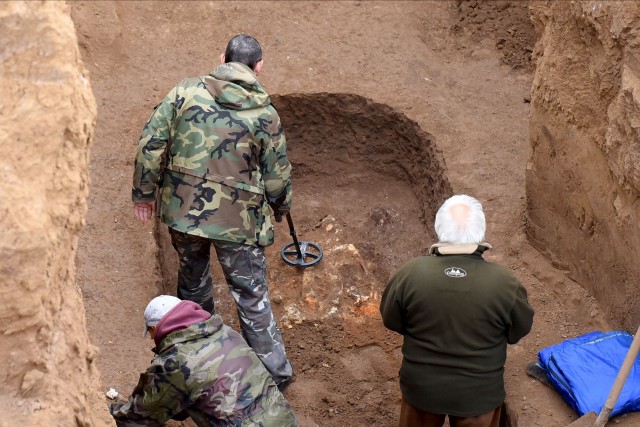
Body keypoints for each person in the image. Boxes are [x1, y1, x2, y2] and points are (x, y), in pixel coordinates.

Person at [131, 34, 293, 387]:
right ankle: (274, 376)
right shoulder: (265, 114)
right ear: (259, 66)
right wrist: (281, 206)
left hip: (184, 213)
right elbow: (276, 176)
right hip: (239, 222)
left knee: (192, 279)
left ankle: (199, 360)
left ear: (222, 57)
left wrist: (144, 193)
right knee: (250, 295)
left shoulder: (184, 93)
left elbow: (152, 144)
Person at [380, 194, 534, 427]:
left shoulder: (410, 274)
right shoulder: (505, 283)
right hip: (479, 396)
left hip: (422, 391)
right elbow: (518, 331)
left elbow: (391, 320)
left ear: (439, 228)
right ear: (480, 232)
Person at [109, 295, 298, 426]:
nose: (151, 338)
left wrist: (109, 411)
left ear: (154, 327)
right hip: (284, 418)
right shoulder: (224, 332)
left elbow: (139, 417)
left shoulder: (175, 362)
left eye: (150, 332)